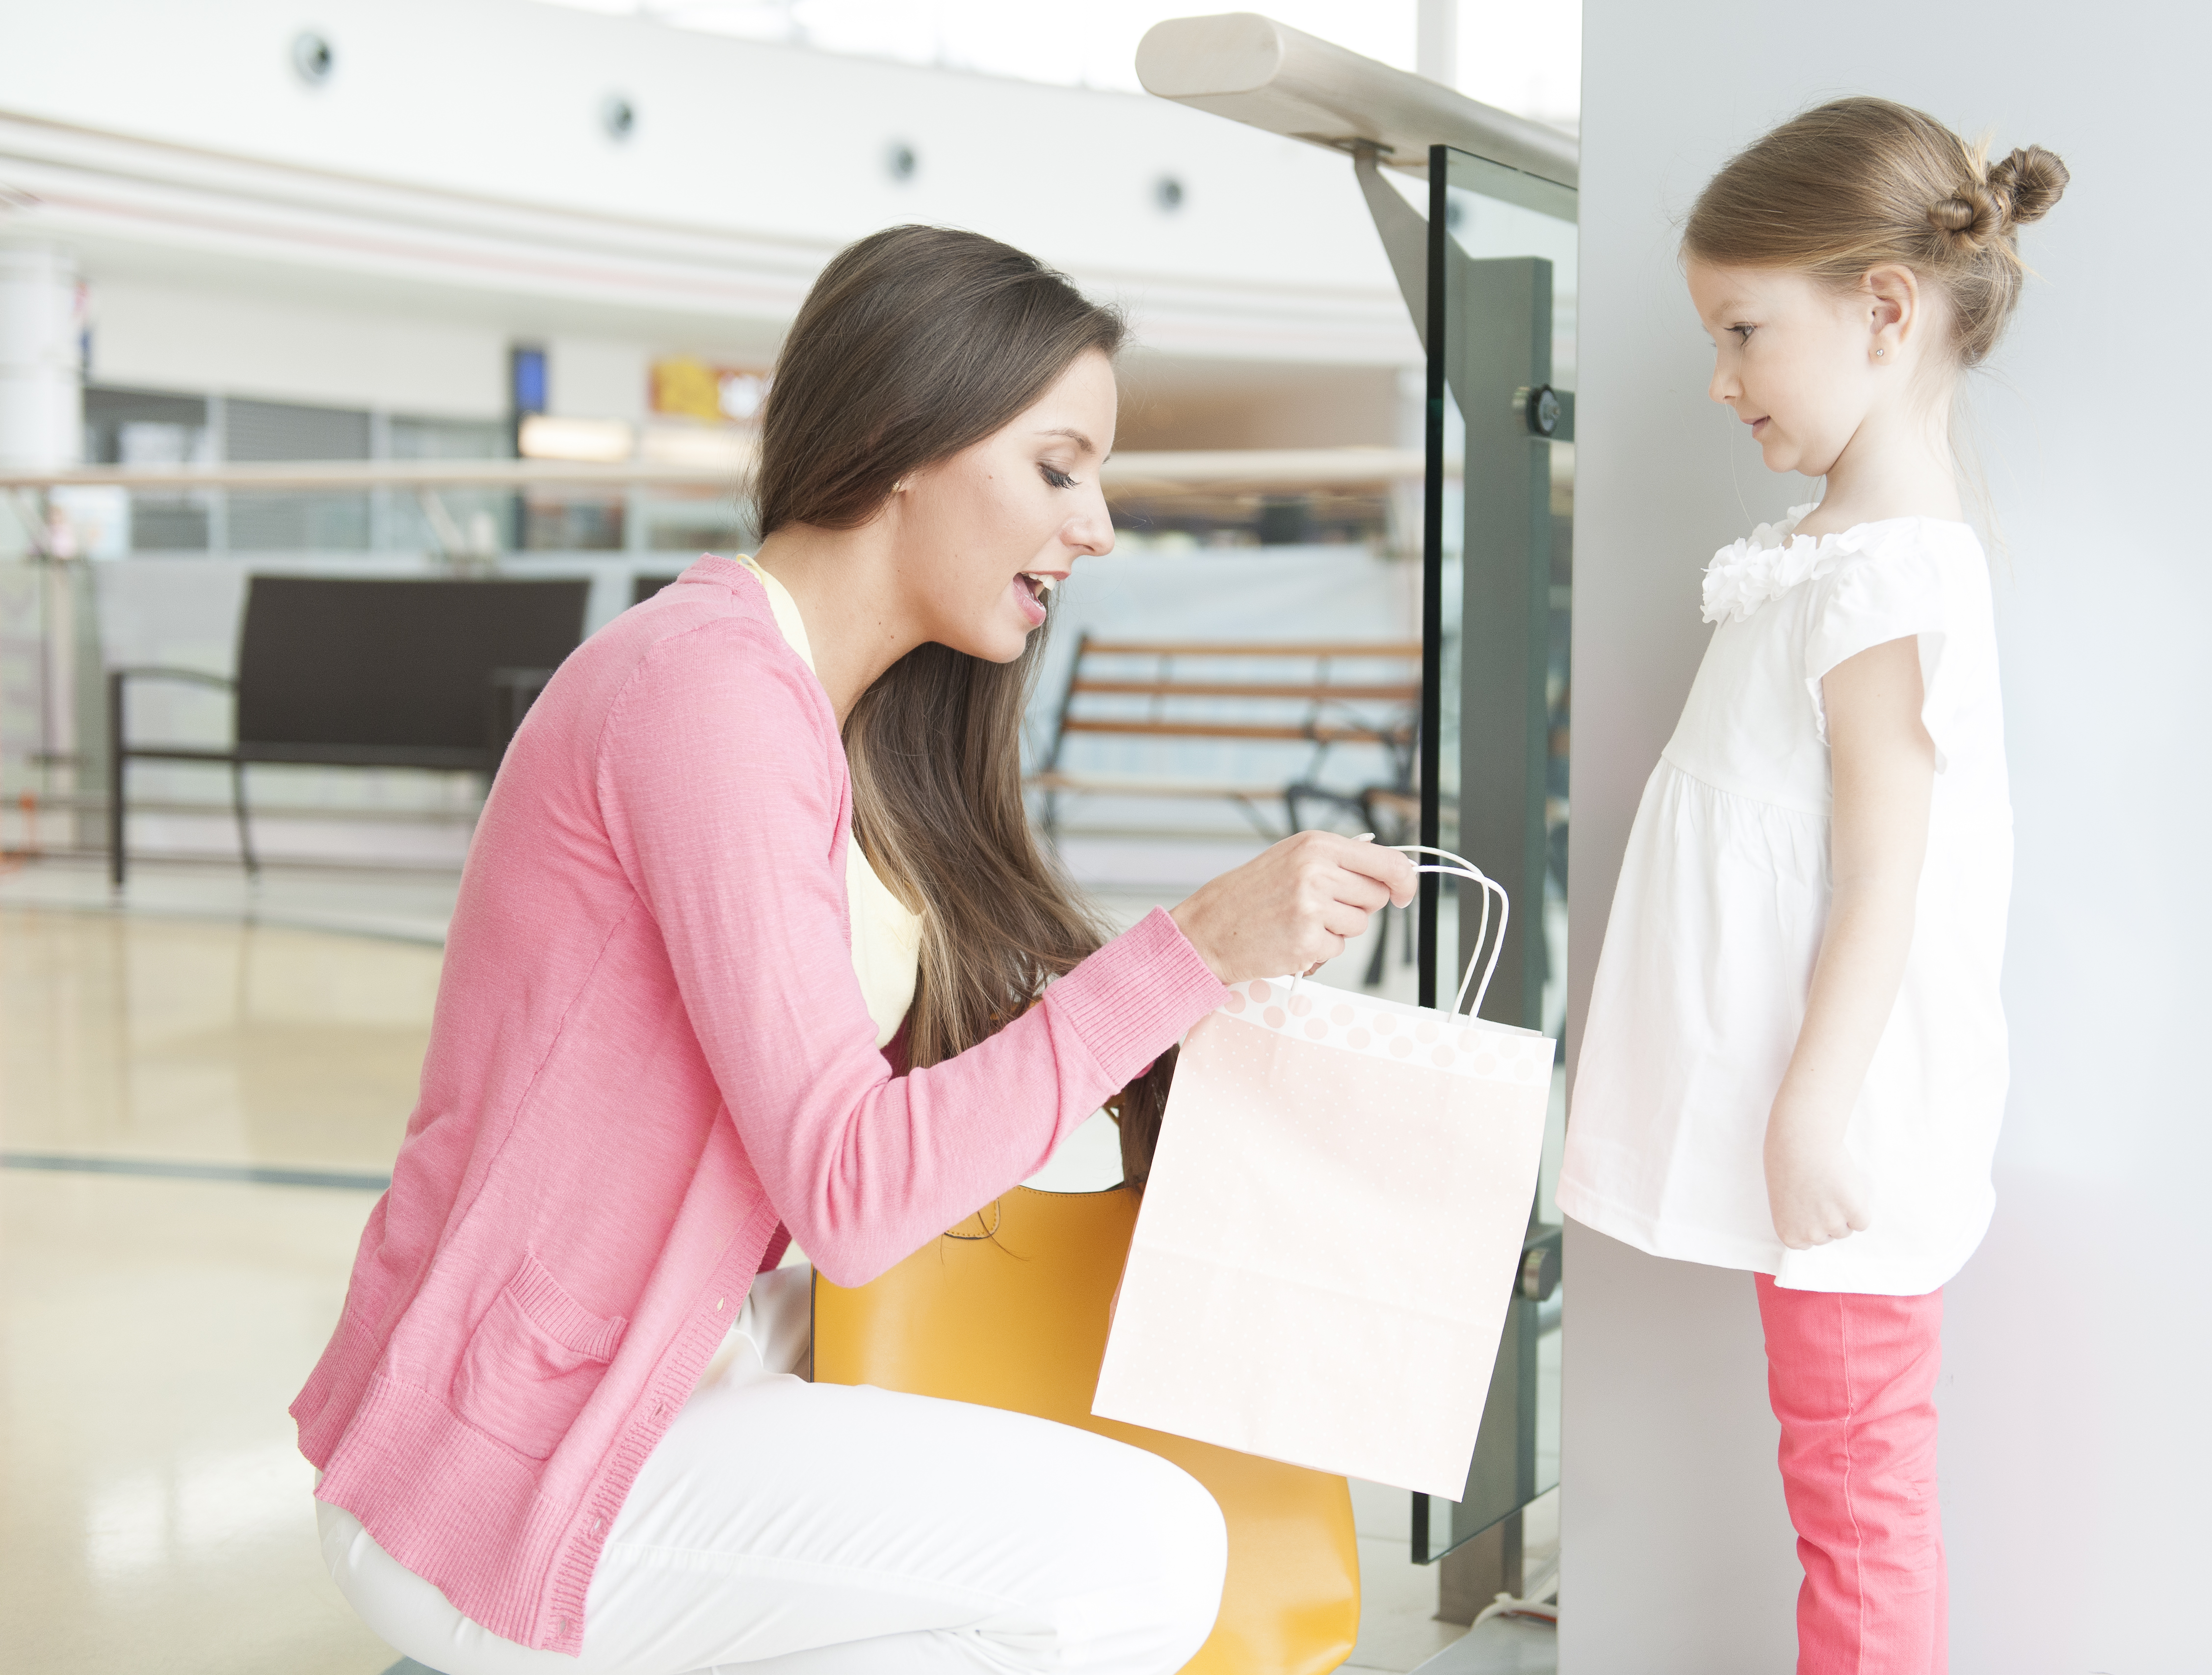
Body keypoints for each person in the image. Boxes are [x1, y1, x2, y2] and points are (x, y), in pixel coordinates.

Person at [292, 225, 1417, 1675]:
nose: (1098, 527)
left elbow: (928, 1132)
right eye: (1059, 467)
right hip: (524, 1453)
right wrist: (1185, 950)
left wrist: (1194, 1009)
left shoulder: (828, 726)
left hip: (668, 1388)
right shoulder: (705, 694)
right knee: (1146, 1556)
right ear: (905, 440)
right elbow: (855, 1190)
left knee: (1112, 1531)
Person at [1558, 100, 2068, 1672]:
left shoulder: (1891, 569)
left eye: (1743, 332)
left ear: (1886, 311)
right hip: (1821, 1105)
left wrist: (1810, 1106)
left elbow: (1887, 863)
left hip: (1847, 1120)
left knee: (1855, 1488)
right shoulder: (1843, 546)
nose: (1719, 379)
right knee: (1840, 1476)